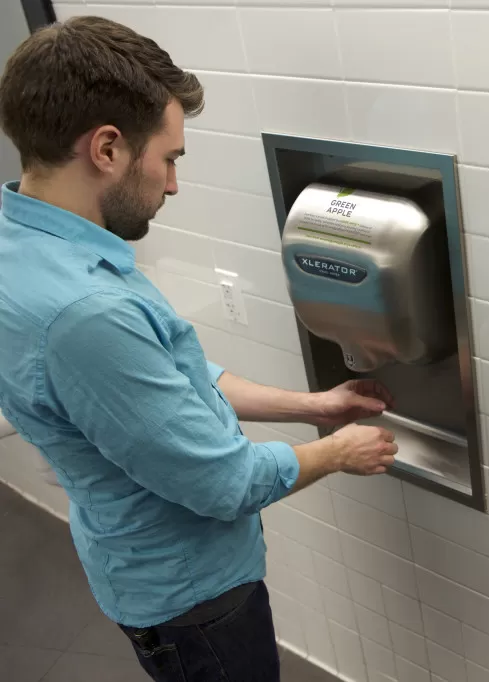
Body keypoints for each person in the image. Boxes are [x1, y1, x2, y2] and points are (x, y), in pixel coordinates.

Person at [0, 16, 398, 682]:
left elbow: (171, 382)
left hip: (137, 567)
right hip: (192, 603)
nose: (174, 184)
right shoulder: (85, 314)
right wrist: (336, 453)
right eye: (170, 158)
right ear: (106, 149)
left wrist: (312, 405)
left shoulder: (31, 246)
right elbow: (223, 483)